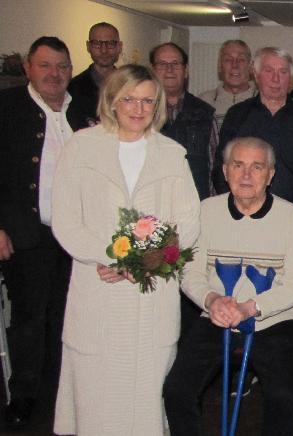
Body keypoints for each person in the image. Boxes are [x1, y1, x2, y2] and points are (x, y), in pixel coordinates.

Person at [50, 64, 200, 435]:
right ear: (112, 100)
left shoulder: (172, 154)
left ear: (158, 105)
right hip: (98, 288)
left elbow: (189, 224)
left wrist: (144, 262)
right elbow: (65, 221)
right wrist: (112, 257)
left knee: (146, 399)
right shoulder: (81, 146)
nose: (138, 108)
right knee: (96, 399)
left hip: (152, 294)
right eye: (129, 99)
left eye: (148, 100)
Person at [164, 137, 293, 436]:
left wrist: (249, 308)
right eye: (238, 166)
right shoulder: (206, 210)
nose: (246, 175)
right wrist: (212, 300)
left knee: (284, 400)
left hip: (272, 319)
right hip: (217, 314)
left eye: (257, 167)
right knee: (177, 391)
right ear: (225, 170)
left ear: (271, 174)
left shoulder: (291, 215)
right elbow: (190, 273)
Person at [0, 36, 93, 429]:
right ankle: (24, 394)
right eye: (45, 65)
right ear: (28, 68)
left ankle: (60, 393)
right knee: (28, 319)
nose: (54, 74)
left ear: (71, 70)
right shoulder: (6, 109)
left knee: (67, 318)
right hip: (26, 234)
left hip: (76, 238)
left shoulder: (85, 111)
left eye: (61, 66)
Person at [212, 47, 293, 214]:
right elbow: (221, 166)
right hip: (242, 212)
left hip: (291, 214)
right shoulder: (237, 115)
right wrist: (235, 207)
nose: (275, 79)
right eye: (269, 71)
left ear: (290, 79)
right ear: (256, 76)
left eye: (283, 72)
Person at [150, 43, 217, 200]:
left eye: (175, 64)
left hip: (195, 201)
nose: (169, 69)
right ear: (152, 71)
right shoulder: (140, 113)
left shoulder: (205, 113)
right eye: (162, 64)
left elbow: (215, 167)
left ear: (186, 71)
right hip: (151, 203)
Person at [199, 40, 257, 128]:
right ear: (220, 66)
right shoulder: (204, 102)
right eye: (228, 60)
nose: (235, 65)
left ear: (250, 67)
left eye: (241, 60)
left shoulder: (263, 101)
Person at [68, 22, 122, 116]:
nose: (104, 50)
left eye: (110, 44)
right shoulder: (73, 88)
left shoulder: (129, 85)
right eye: (97, 43)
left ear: (119, 47)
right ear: (88, 46)